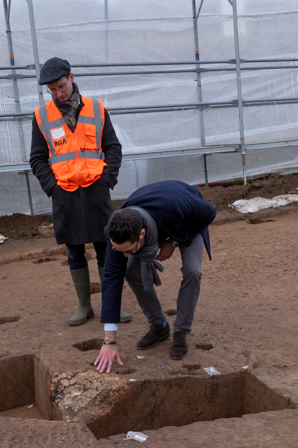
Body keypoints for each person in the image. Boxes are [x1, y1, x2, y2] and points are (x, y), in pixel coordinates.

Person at [30, 56, 130, 326]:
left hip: (96, 190)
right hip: (65, 193)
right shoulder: (41, 116)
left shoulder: (97, 108)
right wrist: (52, 187)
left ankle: (112, 306)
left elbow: (113, 147)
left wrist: (107, 180)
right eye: (52, 90)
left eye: (61, 86)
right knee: (75, 253)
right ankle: (84, 306)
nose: (58, 93)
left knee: (106, 249)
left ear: (71, 78)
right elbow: (37, 158)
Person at [93, 180, 216, 372]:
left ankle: (181, 331)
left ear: (142, 234)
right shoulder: (116, 232)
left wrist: (173, 242)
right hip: (152, 222)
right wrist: (109, 341)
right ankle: (159, 324)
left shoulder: (176, 205)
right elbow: (111, 281)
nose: (124, 255)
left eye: (129, 251)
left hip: (186, 221)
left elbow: (209, 213)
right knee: (130, 271)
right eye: (120, 251)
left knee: (193, 271)